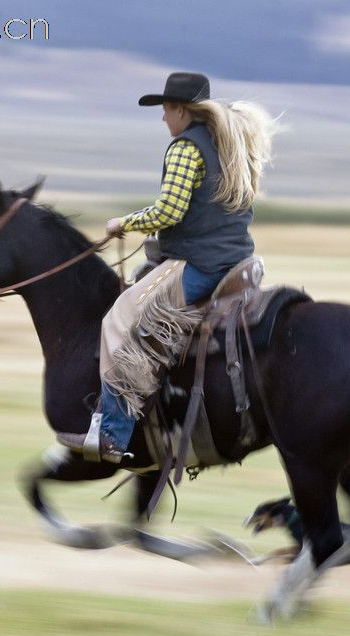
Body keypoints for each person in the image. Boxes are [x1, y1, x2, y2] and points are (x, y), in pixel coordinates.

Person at [56, 71, 279, 462]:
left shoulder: (184, 148)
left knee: (121, 319)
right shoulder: (229, 144)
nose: (162, 118)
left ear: (180, 110)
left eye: (165, 110)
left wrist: (122, 224)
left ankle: (111, 433)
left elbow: (170, 210)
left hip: (199, 262)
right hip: (234, 258)